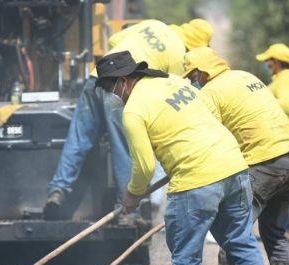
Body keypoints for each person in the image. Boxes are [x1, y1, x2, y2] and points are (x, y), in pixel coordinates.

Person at [97, 50, 280, 265]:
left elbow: (144, 167)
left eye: (108, 88)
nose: (110, 95)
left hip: (196, 181)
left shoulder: (133, 112)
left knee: (186, 257)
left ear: (122, 81)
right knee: (240, 243)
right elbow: (203, 118)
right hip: (233, 167)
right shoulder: (172, 81)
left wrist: (132, 195)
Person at [184, 48, 289, 265]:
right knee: (275, 235)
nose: (192, 81)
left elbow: (207, 139)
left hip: (265, 162)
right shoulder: (244, 76)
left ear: (202, 72)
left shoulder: (209, 93)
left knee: (234, 231)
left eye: (192, 75)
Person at [43, 19, 208, 219]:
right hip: (121, 89)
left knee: (78, 140)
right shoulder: (178, 55)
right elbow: (170, 90)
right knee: (125, 148)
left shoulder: (154, 25)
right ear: (194, 46)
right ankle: (129, 211)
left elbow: (114, 40)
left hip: (98, 79)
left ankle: (58, 190)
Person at [257, 43, 289, 241]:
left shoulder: (286, 80)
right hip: (279, 136)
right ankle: (284, 228)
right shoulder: (280, 78)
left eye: (268, 62)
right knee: (283, 185)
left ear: (276, 62)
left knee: (284, 185)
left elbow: (284, 104)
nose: (267, 65)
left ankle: (287, 228)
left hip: (285, 137)